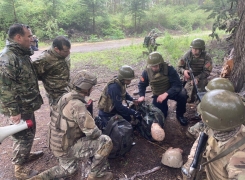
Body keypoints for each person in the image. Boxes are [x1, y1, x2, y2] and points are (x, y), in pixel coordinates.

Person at [28, 70, 113, 180]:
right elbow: (93, 134)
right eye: (91, 86)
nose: (92, 89)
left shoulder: (66, 96)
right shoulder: (77, 105)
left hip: (56, 144)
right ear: (86, 88)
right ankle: (96, 176)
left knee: (69, 169)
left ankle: (38, 178)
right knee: (106, 141)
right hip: (67, 148)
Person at [0, 23, 44, 179]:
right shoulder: (7, 58)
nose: (32, 39)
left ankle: (25, 155)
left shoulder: (21, 53)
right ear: (18, 37)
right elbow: (4, 88)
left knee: (29, 133)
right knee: (22, 137)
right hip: (19, 106)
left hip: (26, 104)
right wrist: (14, 112)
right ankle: (19, 169)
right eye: (29, 36)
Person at [181, 89, 245, 180]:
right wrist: (192, 161)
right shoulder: (217, 128)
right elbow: (200, 140)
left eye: (203, 115)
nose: (201, 117)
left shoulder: (239, 158)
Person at [138, 52, 188, 126]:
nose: (154, 68)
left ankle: (180, 115)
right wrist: (142, 95)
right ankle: (164, 109)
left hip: (171, 91)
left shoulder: (169, 68)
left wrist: (166, 94)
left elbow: (177, 85)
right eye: (153, 66)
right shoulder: (146, 72)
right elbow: (141, 85)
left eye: (156, 66)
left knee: (183, 94)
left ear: (160, 63)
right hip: (158, 95)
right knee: (160, 115)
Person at [32, 36, 71, 106]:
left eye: (69, 50)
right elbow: (32, 75)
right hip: (56, 95)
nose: (68, 53)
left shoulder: (64, 55)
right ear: (56, 49)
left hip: (67, 90)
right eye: (65, 51)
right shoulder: (44, 59)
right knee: (59, 115)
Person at [177, 38, 213, 103]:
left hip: (201, 78)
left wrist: (198, 78)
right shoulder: (187, 55)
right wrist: (184, 71)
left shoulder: (206, 56)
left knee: (201, 96)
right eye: (193, 48)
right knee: (185, 97)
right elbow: (179, 67)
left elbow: (207, 72)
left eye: (196, 49)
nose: (194, 50)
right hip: (188, 78)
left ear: (201, 49)